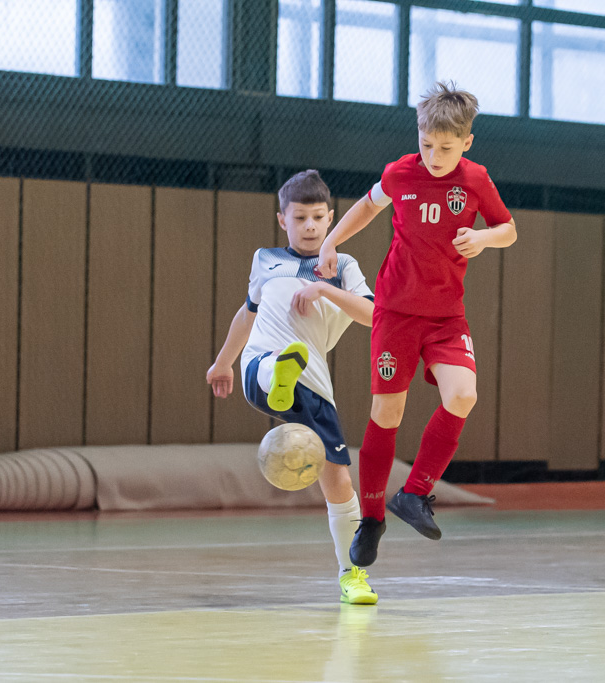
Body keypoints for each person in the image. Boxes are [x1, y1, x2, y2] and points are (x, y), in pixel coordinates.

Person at [316, 81, 517, 567]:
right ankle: (371, 519)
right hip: (396, 313)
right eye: (426, 144)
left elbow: (508, 229)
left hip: (446, 316)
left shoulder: (475, 179)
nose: (434, 156)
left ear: (467, 142)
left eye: (446, 148)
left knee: (463, 395)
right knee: (387, 413)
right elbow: (368, 205)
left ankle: (415, 493)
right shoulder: (401, 172)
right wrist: (331, 241)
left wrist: (483, 239)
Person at [206, 170, 379, 604]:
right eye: (299, 218)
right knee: (268, 366)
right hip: (257, 364)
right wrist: (223, 363)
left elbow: (373, 316)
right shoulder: (265, 259)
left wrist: (323, 289)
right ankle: (277, 374)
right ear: (282, 219)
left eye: (318, 217)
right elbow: (247, 315)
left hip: (312, 382)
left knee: (338, 480)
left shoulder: (344, 266)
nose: (310, 226)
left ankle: (352, 574)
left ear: (331, 218)